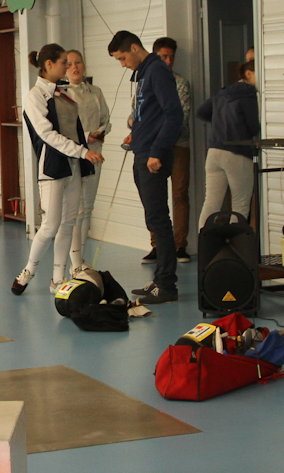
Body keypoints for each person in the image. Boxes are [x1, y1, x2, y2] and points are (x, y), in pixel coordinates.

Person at [12, 43, 102, 295]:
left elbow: (74, 129)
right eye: (64, 62)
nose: (68, 66)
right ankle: (28, 271)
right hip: (52, 168)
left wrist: (83, 152)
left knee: (68, 223)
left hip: (72, 166)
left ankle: (57, 279)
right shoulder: (35, 97)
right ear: (49, 64)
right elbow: (48, 135)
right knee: (50, 225)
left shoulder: (63, 94)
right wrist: (83, 151)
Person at [109, 30, 182, 304]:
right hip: (142, 153)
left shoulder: (157, 71)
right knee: (153, 219)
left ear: (134, 48)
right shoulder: (144, 73)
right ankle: (159, 279)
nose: (122, 64)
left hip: (153, 157)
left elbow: (174, 114)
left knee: (159, 220)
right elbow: (148, 114)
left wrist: (157, 150)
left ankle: (167, 285)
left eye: (122, 58)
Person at [59, 49, 110, 273]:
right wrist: (86, 136)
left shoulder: (95, 92)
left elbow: (106, 119)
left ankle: (80, 259)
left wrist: (100, 132)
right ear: (64, 69)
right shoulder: (62, 94)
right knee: (76, 211)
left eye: (78, 62)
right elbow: (63, 127)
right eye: (69, 64)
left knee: (88, 208)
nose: (74, 67)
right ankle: (74, 262)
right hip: (74, 155)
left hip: (95, 153)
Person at [196, 60, 260, 223]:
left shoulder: (222, 93)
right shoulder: (248, 94)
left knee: (211, 203)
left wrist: (219, 121)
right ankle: (236, 239)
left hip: (214, 151)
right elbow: (253, 127)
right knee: (240, 204)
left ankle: (203, 238)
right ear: (249, 74)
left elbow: (201, 111)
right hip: (237, 152)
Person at [151, 37, 192, 263]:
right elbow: (135, 113)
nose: (168, 61)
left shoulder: (181, 83)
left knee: (179, 194)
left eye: (171, 57)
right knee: (155, 197)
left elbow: (181, 118)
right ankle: (156, 245)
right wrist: (133, 125)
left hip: (178, 145)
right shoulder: (147, 80)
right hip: (152, 147)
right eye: (163, 57)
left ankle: (179, 245)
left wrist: (160, 135)